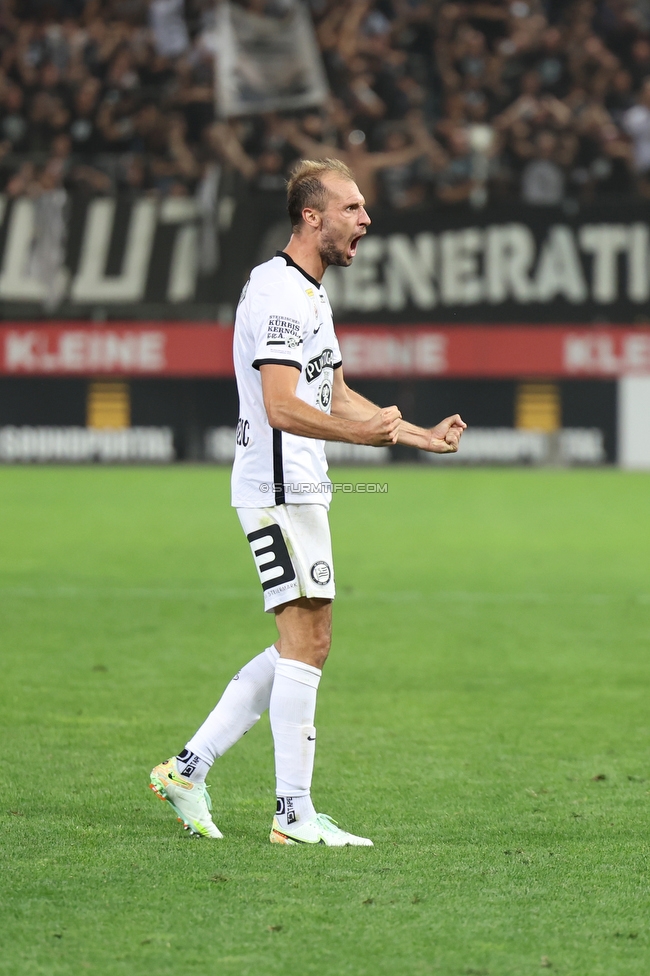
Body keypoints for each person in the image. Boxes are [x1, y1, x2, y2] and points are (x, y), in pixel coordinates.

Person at [150, 158, 466, 846]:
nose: (366, 219)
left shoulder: (309, 294)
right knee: (309, 641)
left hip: (300, 484)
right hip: (276, 485)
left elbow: (337, 393)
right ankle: (292, 813)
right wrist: (359, 431)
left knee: (303, 643)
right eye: (352, 208)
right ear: (311, 216)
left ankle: (188, 769)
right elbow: (282, 405)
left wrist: (418, 436)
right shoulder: (278, 294)